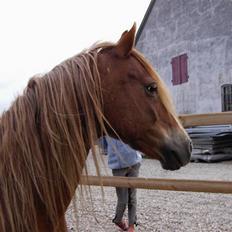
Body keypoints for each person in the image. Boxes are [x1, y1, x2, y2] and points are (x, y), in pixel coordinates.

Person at [99, 136, 142, 232]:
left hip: (134, 162)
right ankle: (118, 220)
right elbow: (102, 142)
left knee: (132, 196)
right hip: (117, 165)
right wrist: (112, 151)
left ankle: (131, 225)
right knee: (123, 199)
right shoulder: (107, 124)